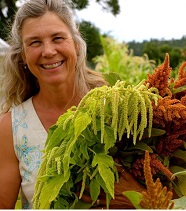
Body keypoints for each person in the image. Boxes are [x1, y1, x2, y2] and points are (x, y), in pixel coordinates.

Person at [0, 0, 109, 207]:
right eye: (35, 42)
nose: (48, 51)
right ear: (23, 55)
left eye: (57, 38)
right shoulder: (11, 128)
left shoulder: (112, 110)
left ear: (76, 45)